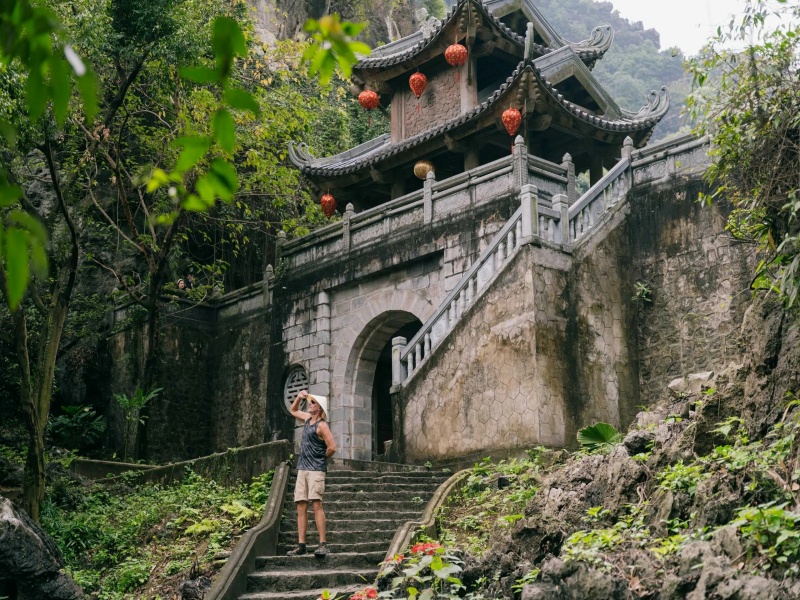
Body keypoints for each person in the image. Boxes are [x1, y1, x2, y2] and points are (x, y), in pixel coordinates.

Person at [287, 389, 336, 557]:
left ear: (320, 408)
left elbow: (332, 447)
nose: (310, 404)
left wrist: (320, 458)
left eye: (313, 402)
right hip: (302, 468)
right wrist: (299, 398)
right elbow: (293, 411)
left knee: (316, 505)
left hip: (316, 469)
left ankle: (323, 544)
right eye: (310, 402)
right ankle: (302, 545)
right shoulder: (307, 419)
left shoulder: (322, 425)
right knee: (301, 505)